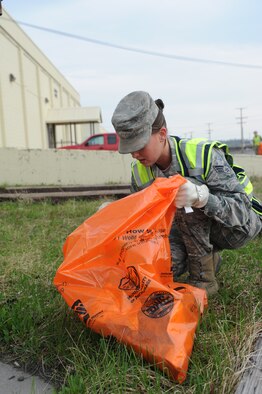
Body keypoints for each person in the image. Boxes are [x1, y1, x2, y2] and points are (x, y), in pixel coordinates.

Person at [111, 91, 262, 296]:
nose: (135, 154)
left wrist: (203, 198)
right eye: (130, 147)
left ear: (162, 134)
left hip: (237, 225)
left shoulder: (201, 154)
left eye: (140, 145)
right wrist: (115, 214)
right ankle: (207, 259)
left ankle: (203, 280)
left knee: (181, 187)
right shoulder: (139, 172)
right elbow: (143, 224)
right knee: (164, 267)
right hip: (183, 232)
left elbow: (242, 212)